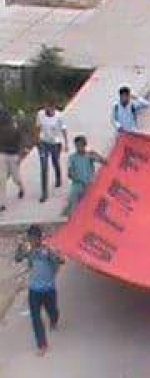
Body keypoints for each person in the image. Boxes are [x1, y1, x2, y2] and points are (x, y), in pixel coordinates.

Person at [15, 225, 64, 356]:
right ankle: (42, 344)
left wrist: (55, 255)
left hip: (48, 289)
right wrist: (20, 248)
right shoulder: (28, 249)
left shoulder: (47, 250)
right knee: (36, 317)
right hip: (34, 290)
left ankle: (54, 320)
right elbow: (18, 258)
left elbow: (61, 261)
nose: (31, 241)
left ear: (39, 238)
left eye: (33, 238)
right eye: (29, 238)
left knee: (52, 311)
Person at [35, 100, 68, 204]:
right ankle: (44, 193)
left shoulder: (59, 116)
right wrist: (36, 140)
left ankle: (58, 177)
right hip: (43, 142)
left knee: (55, 161)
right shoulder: (40, 114)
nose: (48, 110)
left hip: (55, 143)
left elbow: (63, 129)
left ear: (54, 108)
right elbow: (37, 127)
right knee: (44, 166)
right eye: (47, 108)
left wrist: (66, 143)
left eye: (50, 108)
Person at [66, 136, 106, 214]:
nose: (78, 148)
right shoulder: (72, 157)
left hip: (90, 185)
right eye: (77, 146)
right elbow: (69, 173)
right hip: (77, 185)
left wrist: (96, 155)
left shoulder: (89, 155)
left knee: (90, 206)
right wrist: (74, 176)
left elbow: (104, 162)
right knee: (74, 206)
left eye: (80, 145)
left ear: (85, 145)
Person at [0, 109, 25, 210]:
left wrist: (20, 154)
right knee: (2, 179)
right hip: (2, 154)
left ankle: (21, 187)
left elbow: (21, 142)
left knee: (15, 177)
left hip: (13, 155)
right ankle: (2, 204)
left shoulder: (14, 129)